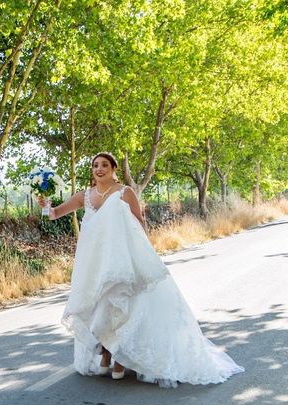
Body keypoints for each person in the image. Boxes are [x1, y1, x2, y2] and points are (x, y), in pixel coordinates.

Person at [39, 152, 242, 388]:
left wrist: (143, 257)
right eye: (95, 166)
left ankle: (121, 357)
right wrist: (46, 206)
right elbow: (54, 215)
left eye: (105, 165)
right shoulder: (85, 196)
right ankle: (106, 352)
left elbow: (139, 223)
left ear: (114, 168)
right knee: (99, 306)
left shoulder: (125, 192)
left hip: (123, 258)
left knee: (124, 306)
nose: (99, 169)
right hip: (95, 260)